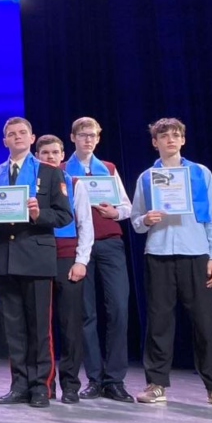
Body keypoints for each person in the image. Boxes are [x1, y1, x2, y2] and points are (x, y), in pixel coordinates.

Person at [130, 117, 212, 406]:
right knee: (159, 322)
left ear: (183, 140)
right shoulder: (146, 177)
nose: (170, 140)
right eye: (164, 136)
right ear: (155, 142)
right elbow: (136, 220)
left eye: (176, 135)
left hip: (195, 253)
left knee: (205, 322)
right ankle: (156, 384)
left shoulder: (200, 173)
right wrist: (146, 219)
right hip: (159, 254)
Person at [0, 116, 72, 408]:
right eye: (11, 133)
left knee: (40, 328)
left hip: (37, 257)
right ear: (4, 140)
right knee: (13, 328)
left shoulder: (50, 172)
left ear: (32, 138)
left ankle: (41, 386)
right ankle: (18, 385)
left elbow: (64, 216)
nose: (17, 137)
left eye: (22, 132)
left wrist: (38, 214)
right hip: (4, 257)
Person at [66, 117, 134, 402]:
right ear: (73, 138)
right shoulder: (62, 170)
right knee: (86, 313)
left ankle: (115, 379)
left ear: (98, 138)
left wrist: (115, 213)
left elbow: (127, 207)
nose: (88, 139)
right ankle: (94, 378)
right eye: (83, 135)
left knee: (118, 308)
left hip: (109, 244)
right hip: (79, 247)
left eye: (92, 135)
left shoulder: (108, 168)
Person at [36, 136, 93, 404]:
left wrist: (81, 261)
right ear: (37, 156)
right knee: (41, 325)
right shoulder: (31, 184)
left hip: (67, 258)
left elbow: (85, 225)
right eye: (45, 153)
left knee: (70, 325)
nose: (50, 157)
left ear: (62, 155)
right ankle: (43, 385)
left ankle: (70, 384)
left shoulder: (74, 183)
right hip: (38, 257)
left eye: (55, 152)